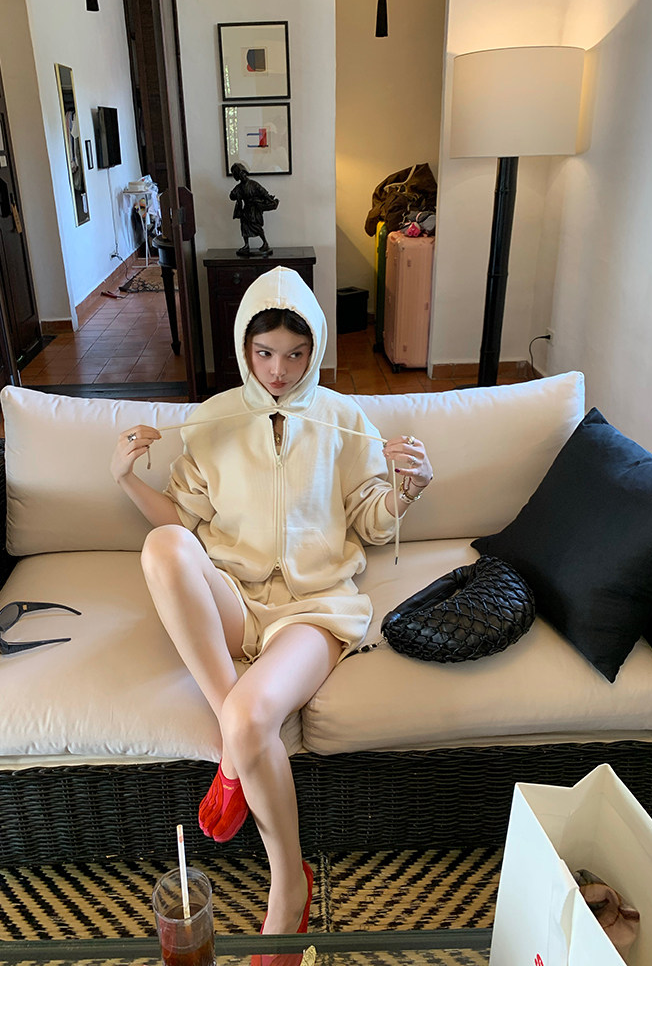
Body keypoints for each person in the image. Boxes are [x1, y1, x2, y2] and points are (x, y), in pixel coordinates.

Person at [110, 266, 432, 950]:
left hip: (315, 610)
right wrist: (126, 479)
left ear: (316, 348)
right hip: (235, 597)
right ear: (243, 349)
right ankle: (237, 748)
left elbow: (372, 523)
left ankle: (289, 887)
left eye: (295, 353)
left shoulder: (345, 420)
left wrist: (407, 490)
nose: (280, 370)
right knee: (163, 545)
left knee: (254, 714)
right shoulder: (212, 422)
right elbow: (184, 521)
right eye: (264, 353)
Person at [229, 162, 279, 256]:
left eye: (243, 173)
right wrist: (235, 195)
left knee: (256, 226)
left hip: (254, 209)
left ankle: (265, 242)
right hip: (246, 210)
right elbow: (231, 196)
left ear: (245, 173)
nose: (243, 176)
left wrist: (271, 201)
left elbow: (263, 193)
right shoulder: (239, 187)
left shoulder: (253, 184)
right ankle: (246, 245)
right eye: (240, 175)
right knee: (244, 227)